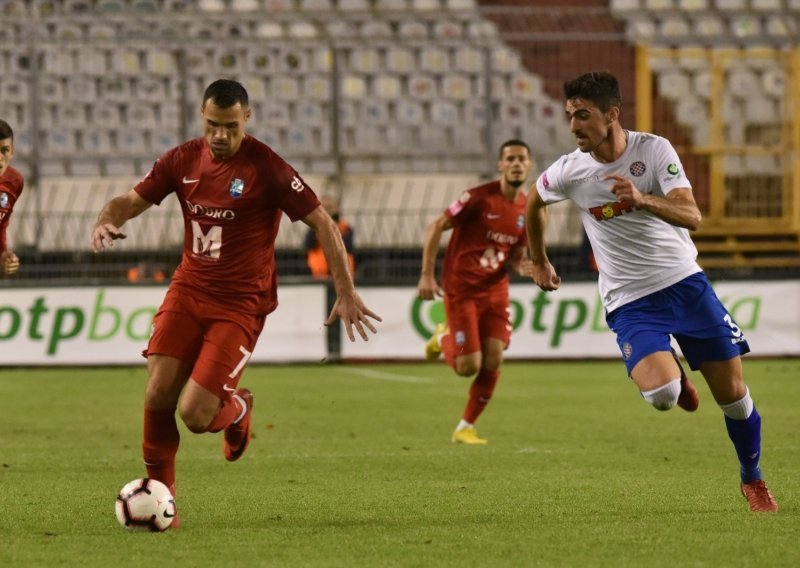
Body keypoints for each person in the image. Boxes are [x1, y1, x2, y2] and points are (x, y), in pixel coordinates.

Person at [90, 79, 381, 525]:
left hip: (239, 304)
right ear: (202, 118)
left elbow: (323, 222)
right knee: (158, 392)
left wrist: (345, 289)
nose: (219, 136)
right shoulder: (182, 159)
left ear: (246, 118)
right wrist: (105, 222)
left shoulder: (268, 168)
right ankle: (164, 500)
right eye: (211, 125)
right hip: (188, 290)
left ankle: (238, 406)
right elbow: (128, 202)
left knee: (194, 413)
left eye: (229, 126)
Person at [525, 71, 778, 512]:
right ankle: (676, 376)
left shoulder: (654, 151)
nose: (574, 127)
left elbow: (692, 215)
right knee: (662, 397)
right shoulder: (570, 170)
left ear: (611, 115)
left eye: (582, 116)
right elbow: (533, 201)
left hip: (686, 286)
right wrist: (540, 259)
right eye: (570, 116)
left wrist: (642, 199)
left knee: (735, 399)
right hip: (630, 300)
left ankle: (751, 478)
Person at [417, 140, 533, 445]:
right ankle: (443, 338)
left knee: (493, 359)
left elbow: (516, 260)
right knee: (469, 367)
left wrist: (530, 269)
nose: (517, 163)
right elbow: (435, 227)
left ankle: (465, 427)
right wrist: (427, 275)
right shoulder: (478, 198)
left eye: (522, 158)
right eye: (511, 158)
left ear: (530, 165)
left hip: (496, 292)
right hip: (462, 290)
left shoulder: (526, 208)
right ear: (501, 165)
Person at [304, 193, 354, 279]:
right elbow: (308, 244)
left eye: (330, 208)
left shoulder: (345, 227)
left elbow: (348, 247)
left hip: (341, 272)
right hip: (319, 272)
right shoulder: (315, 226)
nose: (328, 211)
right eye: (325, 208)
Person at [0, 119, 23, 276]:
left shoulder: (15, 182)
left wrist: (3, 252)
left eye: (4, 150)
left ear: (12, 152)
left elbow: (1, 224)